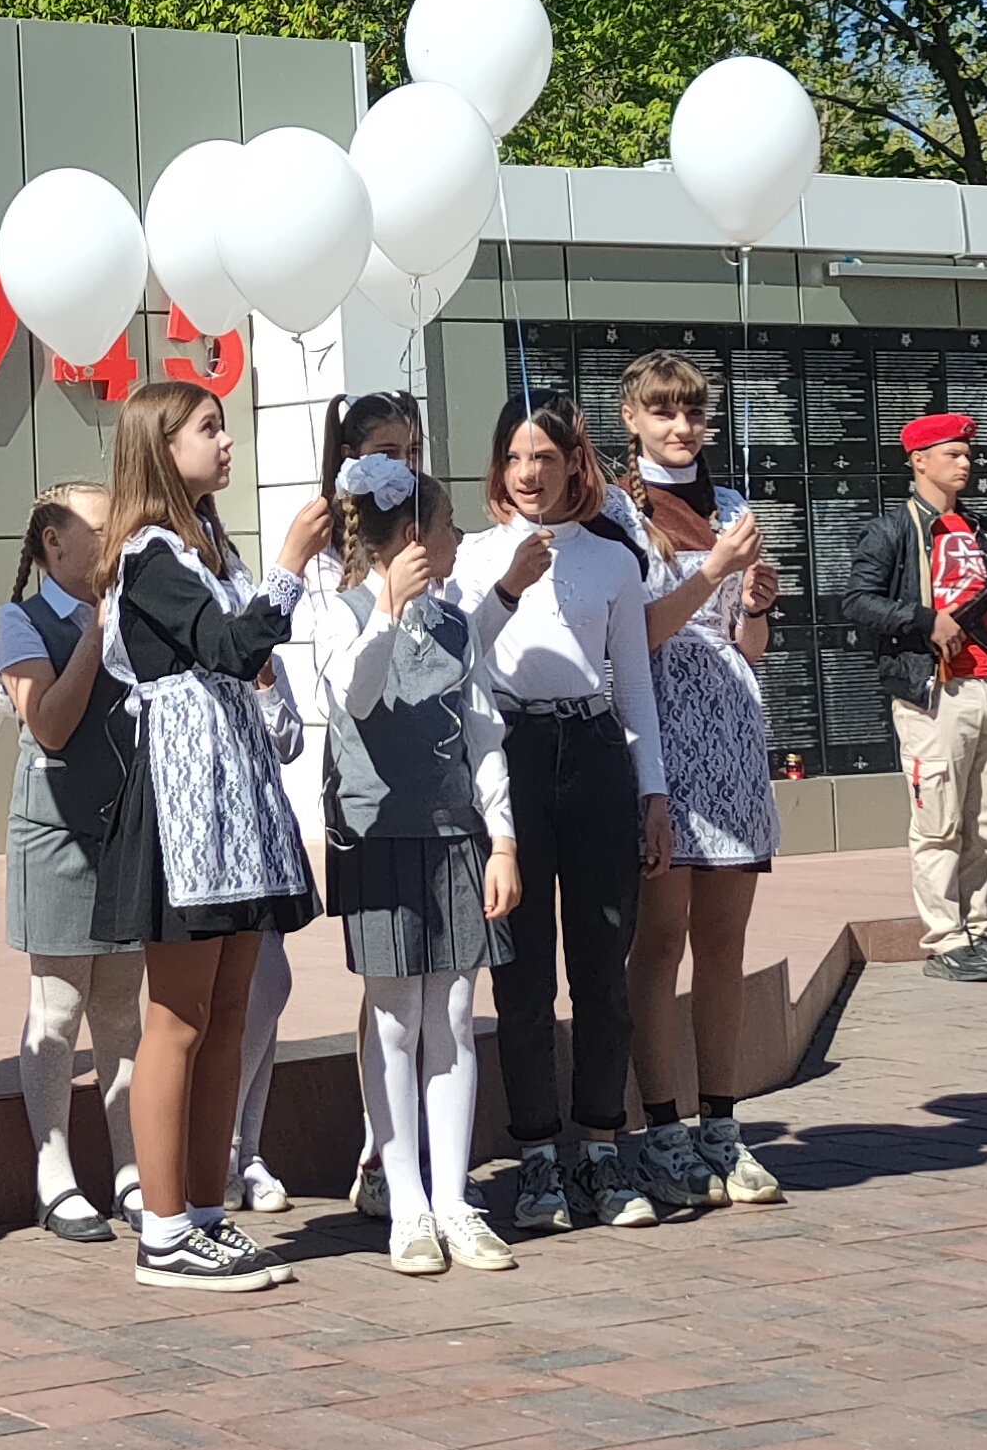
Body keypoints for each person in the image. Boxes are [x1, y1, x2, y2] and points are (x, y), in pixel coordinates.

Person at [103, 376, 335, 1292]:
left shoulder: (210, 548)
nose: (226, 441)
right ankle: (161, 1228)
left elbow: (255, 665)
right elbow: (230, 646)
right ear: (163, 447)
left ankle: (203, 1207)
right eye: (208, 428)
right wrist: (290, 565)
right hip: (184, 802)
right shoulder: (147, 555)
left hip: (236, 795)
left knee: (232, 1010)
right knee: (179, 1016)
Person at [461, 398, 708, 1233]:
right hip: (511, 756)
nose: (530, 473)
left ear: (574, 466)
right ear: (498, 469)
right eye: (516, 458)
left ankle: (601, 1146)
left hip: (594, 750)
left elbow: (633, 682)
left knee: (603, 967)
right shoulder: (474, 555)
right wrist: (506, 585)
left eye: (546, 457)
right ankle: (536, 1156)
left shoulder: (612, 560)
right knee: (522, 974)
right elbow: (457, 660)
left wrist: (654, 793)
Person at [308, 459, 519, 1275]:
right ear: (410, 539)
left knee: (456, 1014)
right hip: (378, 836)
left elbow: (484, 735)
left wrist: (502, 838)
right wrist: (388, 608)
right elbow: (352, 700)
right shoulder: (340, 614)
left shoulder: (459, 624)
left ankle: (454, 1196)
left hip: (453, 835)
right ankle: (406, 1204)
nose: (459, 537)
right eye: (446, 525)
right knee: (395, 1018)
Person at [617, 354, 788, 1213]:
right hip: (659, 741)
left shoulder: (731, 509)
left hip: (729, 740)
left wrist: (753, 603)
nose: (680, 428)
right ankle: (662, 1129)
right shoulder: (616, 511)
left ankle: (723, 1125)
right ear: (631, 419)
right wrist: (715, 571)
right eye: (663, 413)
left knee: (724, 944)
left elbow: (743, 648)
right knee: (661, 943)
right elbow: (636, 636)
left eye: (692, 413)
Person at [271, 389, 433, 1226]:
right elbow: (343, 691)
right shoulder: (332, 563)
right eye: (380, 450)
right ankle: (380, 1150)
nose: (396, 466)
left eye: (408, 448)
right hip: (367, 793)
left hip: (439, 791)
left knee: (433, 986)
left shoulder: (433, 539)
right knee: (386, 981)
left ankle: (415, 1152)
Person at [0, 483, 152, 1242]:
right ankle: (52, 1173)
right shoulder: (20, 621)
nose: (116, 538)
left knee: (122, 1009)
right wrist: (98, 630)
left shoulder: (140, 609)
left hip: (127, 830)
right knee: (58, 1010)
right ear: (55, 544)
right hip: (56, 834)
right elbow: (51, 725)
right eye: (100, 528)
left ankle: (131, 1168)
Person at [844, 409, 987, 982]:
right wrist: (924, 619)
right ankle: (945, 939)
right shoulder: (891, 530)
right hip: (936, 693)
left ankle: (979, 930)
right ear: (919, 460)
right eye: (953, 453)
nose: (966, 462)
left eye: (967, 453)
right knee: (938, 823)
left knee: (982, 824)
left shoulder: (981, 529)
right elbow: (856, 602)